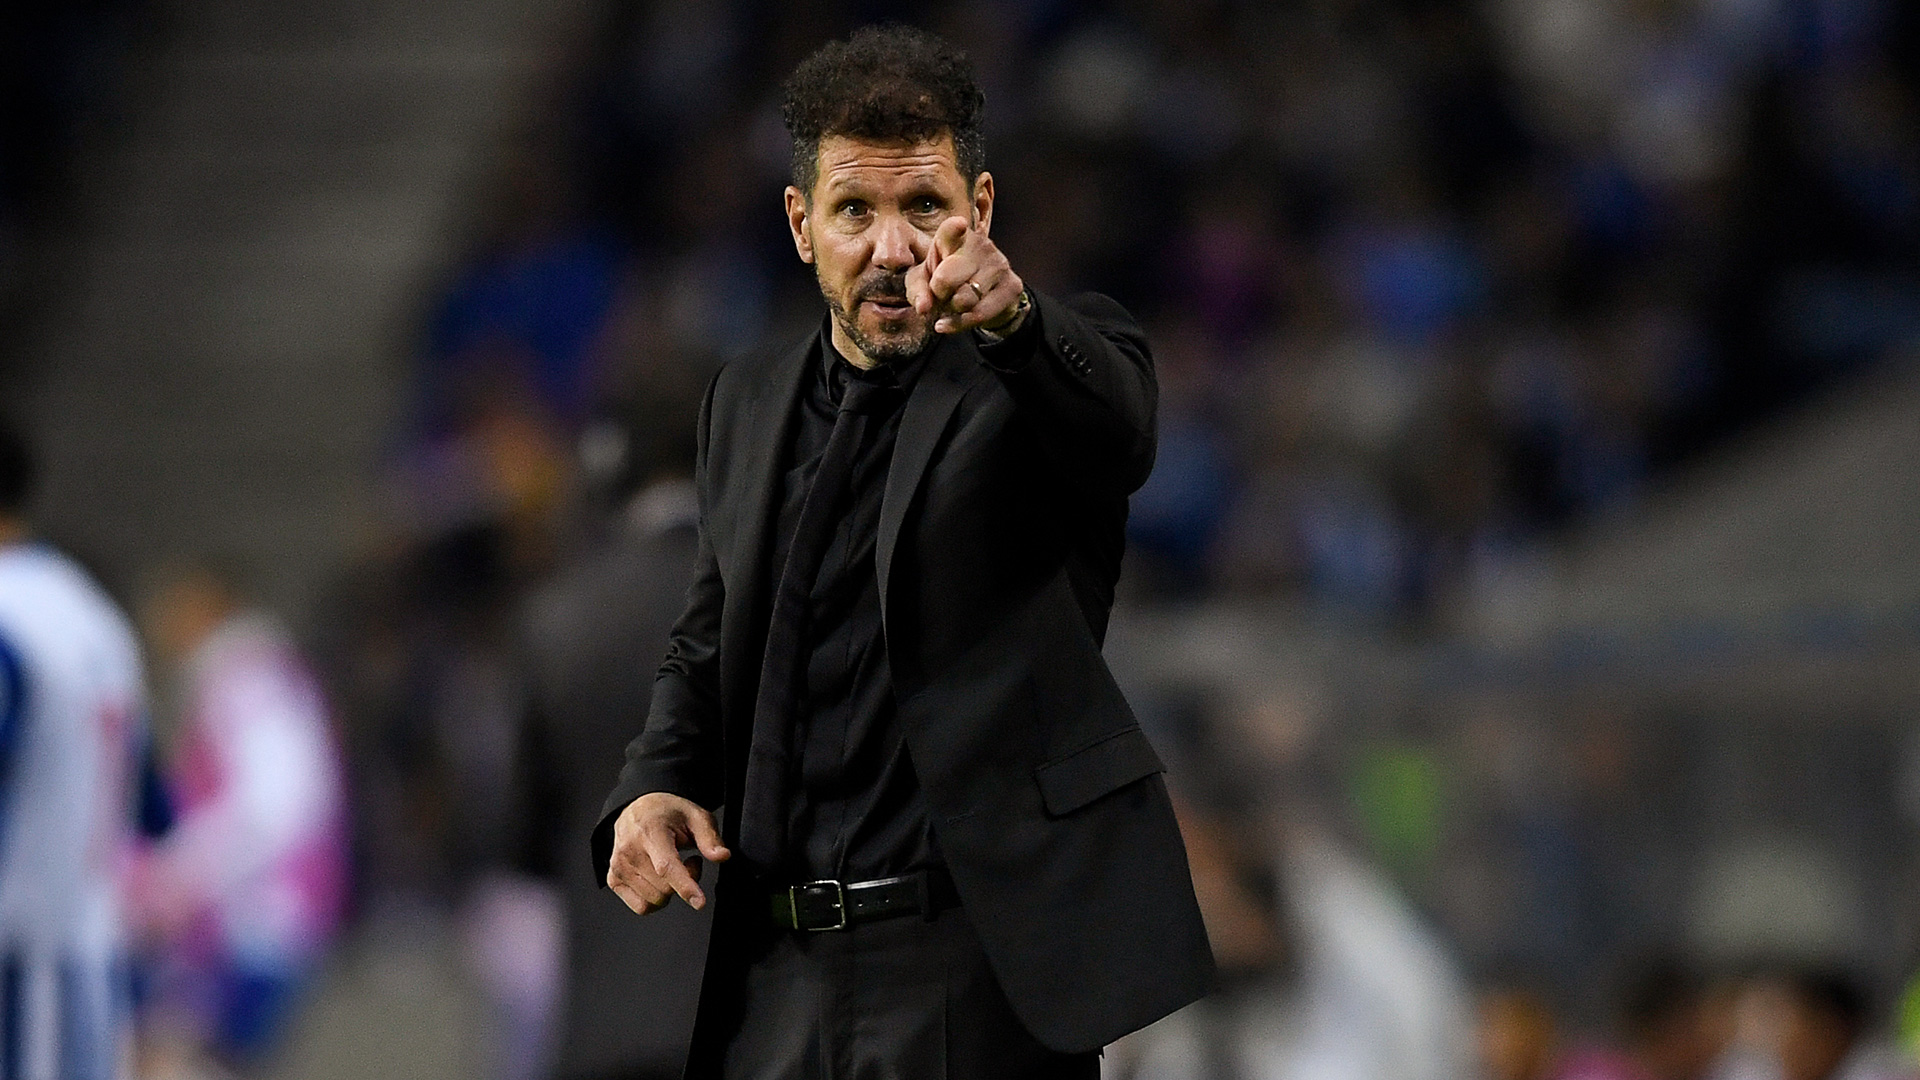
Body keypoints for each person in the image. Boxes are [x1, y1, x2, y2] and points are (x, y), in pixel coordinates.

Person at [593, 25, 1213, 1079]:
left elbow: (1121, 434)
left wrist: (1018, 323)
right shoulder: (745, 401)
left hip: (968, 977)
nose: (892, 248)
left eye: (924, 206)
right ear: (801, 224)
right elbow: (706, 641)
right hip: (775, 981)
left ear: (980, 211)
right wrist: (652, 785)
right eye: (855, 210)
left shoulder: (1035, 374)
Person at [131, 561, 349, 1072]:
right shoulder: (252, 678)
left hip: (256, 919)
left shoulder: (247, 683)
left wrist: (180, 878)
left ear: (209, 607)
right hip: (257, 916)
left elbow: (273, 804)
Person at [0, 422, 168, 1080]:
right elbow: (153, 807)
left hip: (20, 966)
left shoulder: (10, 616)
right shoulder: (93, 613)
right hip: (92, 961)